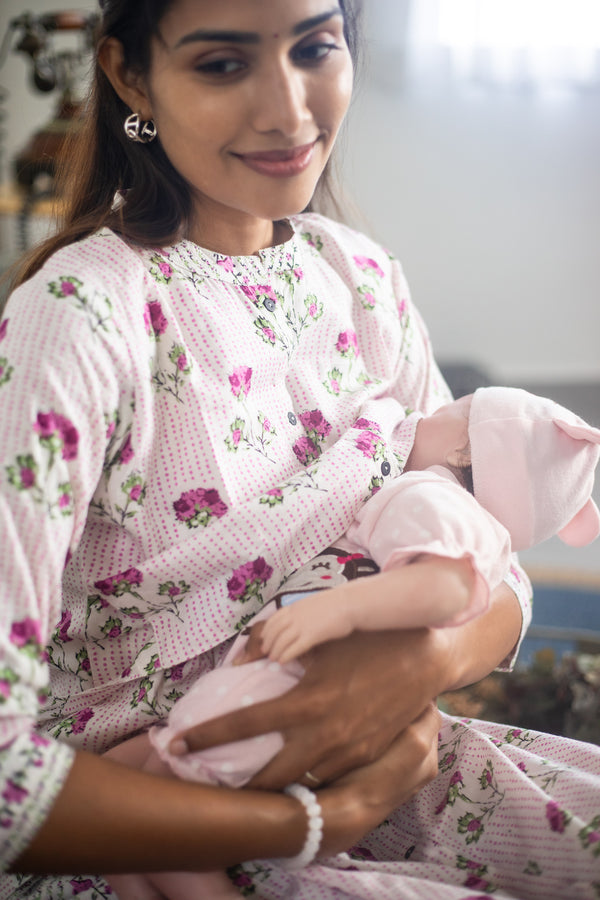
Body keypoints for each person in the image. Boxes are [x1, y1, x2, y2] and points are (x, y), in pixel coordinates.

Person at [0, 0, 599, 898]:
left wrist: (418, 665)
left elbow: (495, 557)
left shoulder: (358, 279)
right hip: (157, 836)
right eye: (222, 65)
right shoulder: (84, 318)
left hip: (403, 768)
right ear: (132, 77)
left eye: (316, 47)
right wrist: (309, 822)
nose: (289, 111)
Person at [102, 384, 600, 900]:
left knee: (156, 816)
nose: (421, 412)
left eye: (448, 410)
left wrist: (335, 609)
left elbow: (446, 588)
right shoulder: (485, 536)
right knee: (119, 785)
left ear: (464, 450)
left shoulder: (429, 495)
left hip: (285, 688)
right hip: (310, 699)